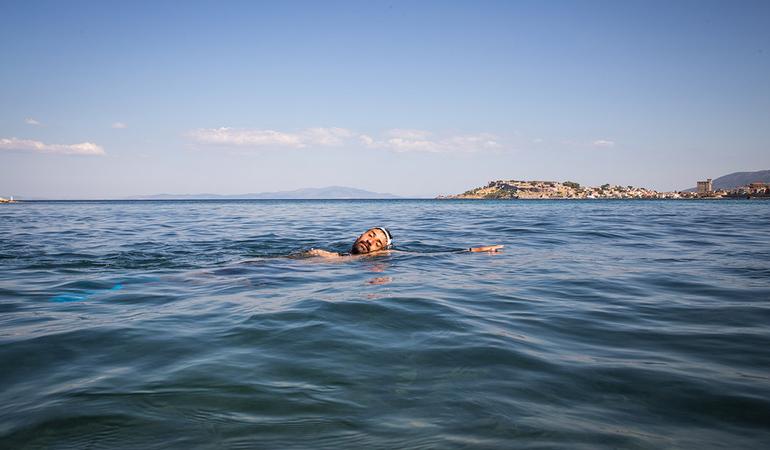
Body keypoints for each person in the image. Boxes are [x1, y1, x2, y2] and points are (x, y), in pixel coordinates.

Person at [303, 227, 503, 258]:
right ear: (358, 237)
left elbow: (430, 254)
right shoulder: (332, 253)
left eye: (378, 242)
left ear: (381, 251)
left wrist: (475, 250)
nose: (371, 241)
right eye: (370, 235)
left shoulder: (375, 258)